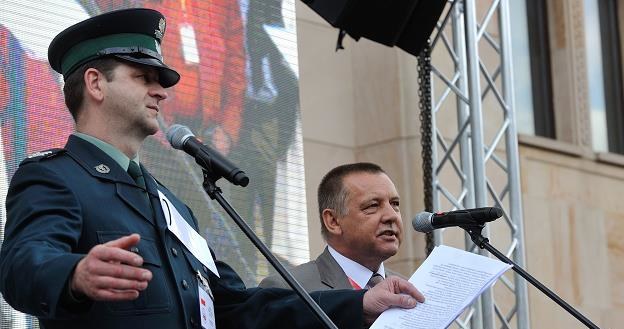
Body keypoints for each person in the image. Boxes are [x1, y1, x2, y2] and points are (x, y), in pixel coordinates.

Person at [0, 8, 424, 329]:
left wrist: (359, 305)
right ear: (95, 83)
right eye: (143, 77)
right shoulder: (55, 177)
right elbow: (22, 265)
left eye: (162, 81)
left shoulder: (172, 206)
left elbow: (238, 305)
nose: (161, 92)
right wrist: (74, 274)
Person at [260, 163, 404, 291]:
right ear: (333, 221)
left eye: (395, 204)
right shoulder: (288, 289)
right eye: (373, 205)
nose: (391, 216)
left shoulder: (412, 289)